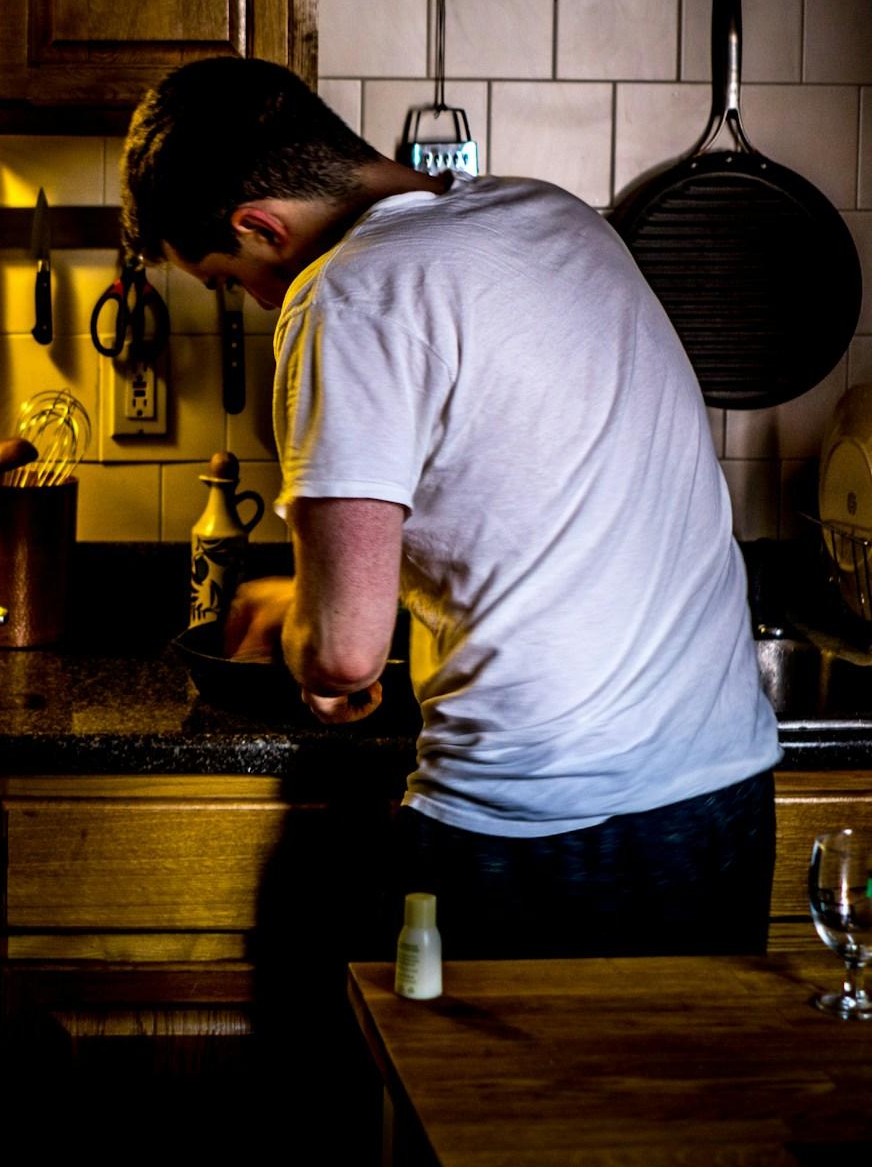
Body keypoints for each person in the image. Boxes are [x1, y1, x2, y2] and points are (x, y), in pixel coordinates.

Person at [121, 56, 781, 958]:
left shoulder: (345, 295)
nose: (250, 298)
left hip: (537, 818)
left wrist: (295, 626)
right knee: (677, 1094)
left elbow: (345, 655)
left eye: (229, 278)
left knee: (472, 1096)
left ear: (259, 226)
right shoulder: (550, 214)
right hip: (720, 790)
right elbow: (522, 500)